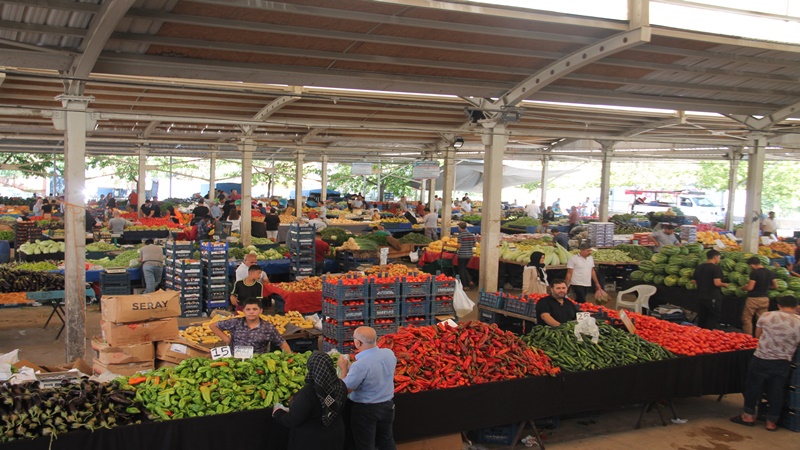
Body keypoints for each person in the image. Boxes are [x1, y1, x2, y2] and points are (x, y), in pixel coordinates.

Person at [730, 296, 800, 431]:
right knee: (776, 390)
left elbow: (757, 335)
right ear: (796, 307)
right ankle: (771, 422)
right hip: (783, 361)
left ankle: (748, 416)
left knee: (753, 386)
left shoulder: (767, 316)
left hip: (762, 358)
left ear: (779, 305)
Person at [337, 327, 398, 450]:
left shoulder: (360, 365)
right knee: (386, 440)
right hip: (387, 406)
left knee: (365, 445)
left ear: (358, 343)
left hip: (366, 410)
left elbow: (345, 389)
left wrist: (343, 369)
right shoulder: (389, 354)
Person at [273, 351, 348, 450]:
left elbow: (293, 420)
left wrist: (278, 413)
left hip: (312, 441)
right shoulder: (340, 386)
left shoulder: (307, 394)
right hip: (335, 437)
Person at [211, 298, 290, 354]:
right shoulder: (235, 322)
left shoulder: (268, 328)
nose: (251, 312)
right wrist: (226, 339)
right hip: (236, 362)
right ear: (243, 311)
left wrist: (290, 359)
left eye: (255, 309)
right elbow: (213, 325)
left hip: (258, 363)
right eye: (248, 309)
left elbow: (282, 343)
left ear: (261, 311)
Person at [741, 256, 778, 336]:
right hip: (765, 298)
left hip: (753, 299)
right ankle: (759, 338)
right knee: (761, 320)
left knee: (747, 319)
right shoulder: (770, 272)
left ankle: (748, 337)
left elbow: (750, 287)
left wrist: (744, 288)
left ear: (752, 265)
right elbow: (775, 286)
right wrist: (765, 287)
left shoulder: (754, 273)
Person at [692, 249, 728, 329]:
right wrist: (725, 284)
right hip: (712, 296)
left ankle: (700, 333)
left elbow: (693, 281)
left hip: (700, 295)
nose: (719, 259)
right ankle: (709, 334)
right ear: (715, 257)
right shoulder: (716, 268)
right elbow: (717, 283)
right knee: (713, 317)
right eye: (719, 257)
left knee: (702, 316)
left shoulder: (699, 267)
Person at [456, 222, 476, 290]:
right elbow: (475, 245)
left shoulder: (461, 235)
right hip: (469, 254)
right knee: (464, 268)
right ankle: (470, 282)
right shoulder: (471, 235)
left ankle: (464, 285)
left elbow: (459, 246)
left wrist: (448, 245)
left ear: (460, 227)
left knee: (461, 269)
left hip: (462, 254)